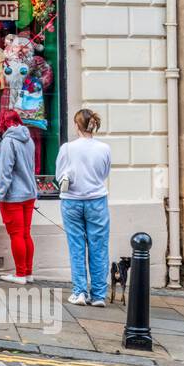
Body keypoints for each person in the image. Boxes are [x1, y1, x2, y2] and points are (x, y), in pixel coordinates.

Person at [56, 108, 113, 307]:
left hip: (71, 200)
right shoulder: (104, 148)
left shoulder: (67, 148)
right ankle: (98, 294)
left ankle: (79, 292)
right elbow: (105, 173)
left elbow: (58, 174)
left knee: (76, 245)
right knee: (99, 246)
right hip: (97, 199)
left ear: (76, 125)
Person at [0, 108, 37, 284]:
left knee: (16, 235)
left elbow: (4, 172)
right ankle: (28, 273)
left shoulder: (8, 142)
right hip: (29, 193)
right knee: (25, 234)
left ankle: (19, 274)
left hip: (14, 196)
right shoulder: (28, 139)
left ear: (3, 123)